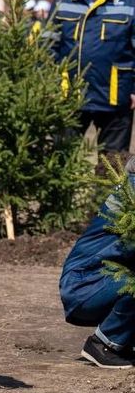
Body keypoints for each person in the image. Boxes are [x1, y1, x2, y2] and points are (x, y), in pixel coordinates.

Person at [51, 0, 135, 154]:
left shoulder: (129, 1)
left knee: (113, 165)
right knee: (62, 157)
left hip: (115, 95)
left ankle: (108, 190)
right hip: (69, 95)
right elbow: (49, 46)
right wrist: (47, 84)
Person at [60, 157, 135, 368]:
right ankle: (104, 345)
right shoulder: (133, 194)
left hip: (103, 280)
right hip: (86, 284)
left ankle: (125, 341)